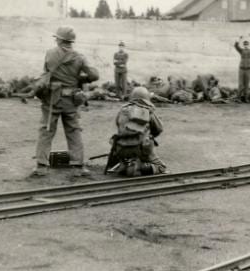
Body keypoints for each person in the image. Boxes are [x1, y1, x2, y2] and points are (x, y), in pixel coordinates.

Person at [31, 26, 99, 177]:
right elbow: (94, 76)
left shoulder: (49, 54)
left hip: (52, 99)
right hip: (71, 100)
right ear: (71, 41)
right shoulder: (79, 57)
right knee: (74, 131)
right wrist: (80, 78)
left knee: (46, 131)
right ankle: (78, 167)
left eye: (57, 38)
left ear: (60, 39)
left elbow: (46, 74)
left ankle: (41, 166)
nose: (55, 39)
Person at [107, 87, 167, 176]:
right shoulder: (148, 110)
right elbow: (158, 129)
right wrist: (148, 135)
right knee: (160, 167)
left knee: (125, 148)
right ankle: (139, 167)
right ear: (146, 98)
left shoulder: (122, 110)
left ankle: (125, 164)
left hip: (120, 148)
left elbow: (119, 126)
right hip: (141, 148)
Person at [235, 37, 250, 102]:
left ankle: (246, 98)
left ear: (248, 45)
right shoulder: (241, 50)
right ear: (243, 45)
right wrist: (239, 38)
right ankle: (238, 98)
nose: (246, 45)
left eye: (247, 44)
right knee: (241, 84)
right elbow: (236, 46)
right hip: (242, 69)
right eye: (245, 44)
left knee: (247, 84)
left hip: (249, 69)